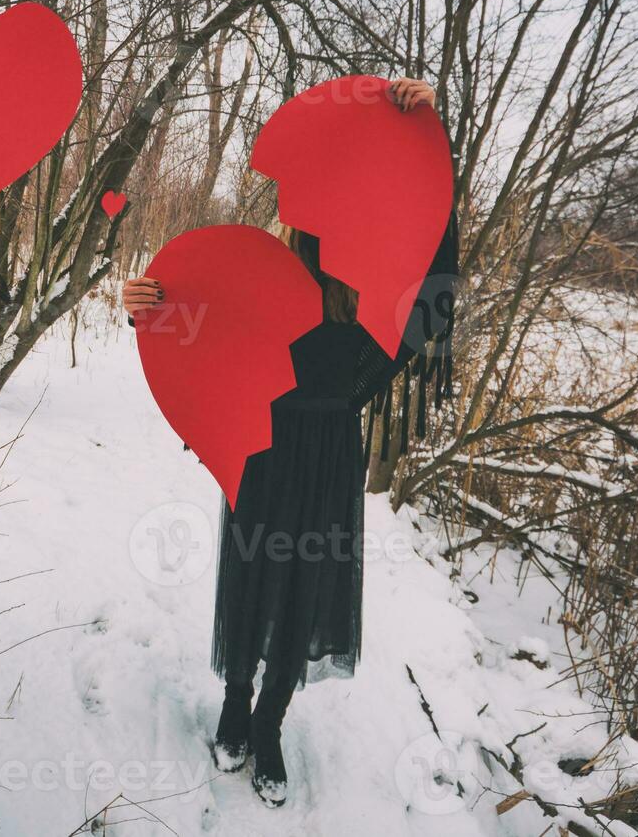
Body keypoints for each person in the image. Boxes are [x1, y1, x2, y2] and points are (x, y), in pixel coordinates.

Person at [122, 78, 457, 807]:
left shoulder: (381, 300)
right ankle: (236, 706)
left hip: (331, 449)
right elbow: (199, 317)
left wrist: (426, 137)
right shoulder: (268, 267)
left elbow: (435, 276)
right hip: (262, 442)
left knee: (305, 589)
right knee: (253, 576)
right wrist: (147, 304)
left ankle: (270, 722)